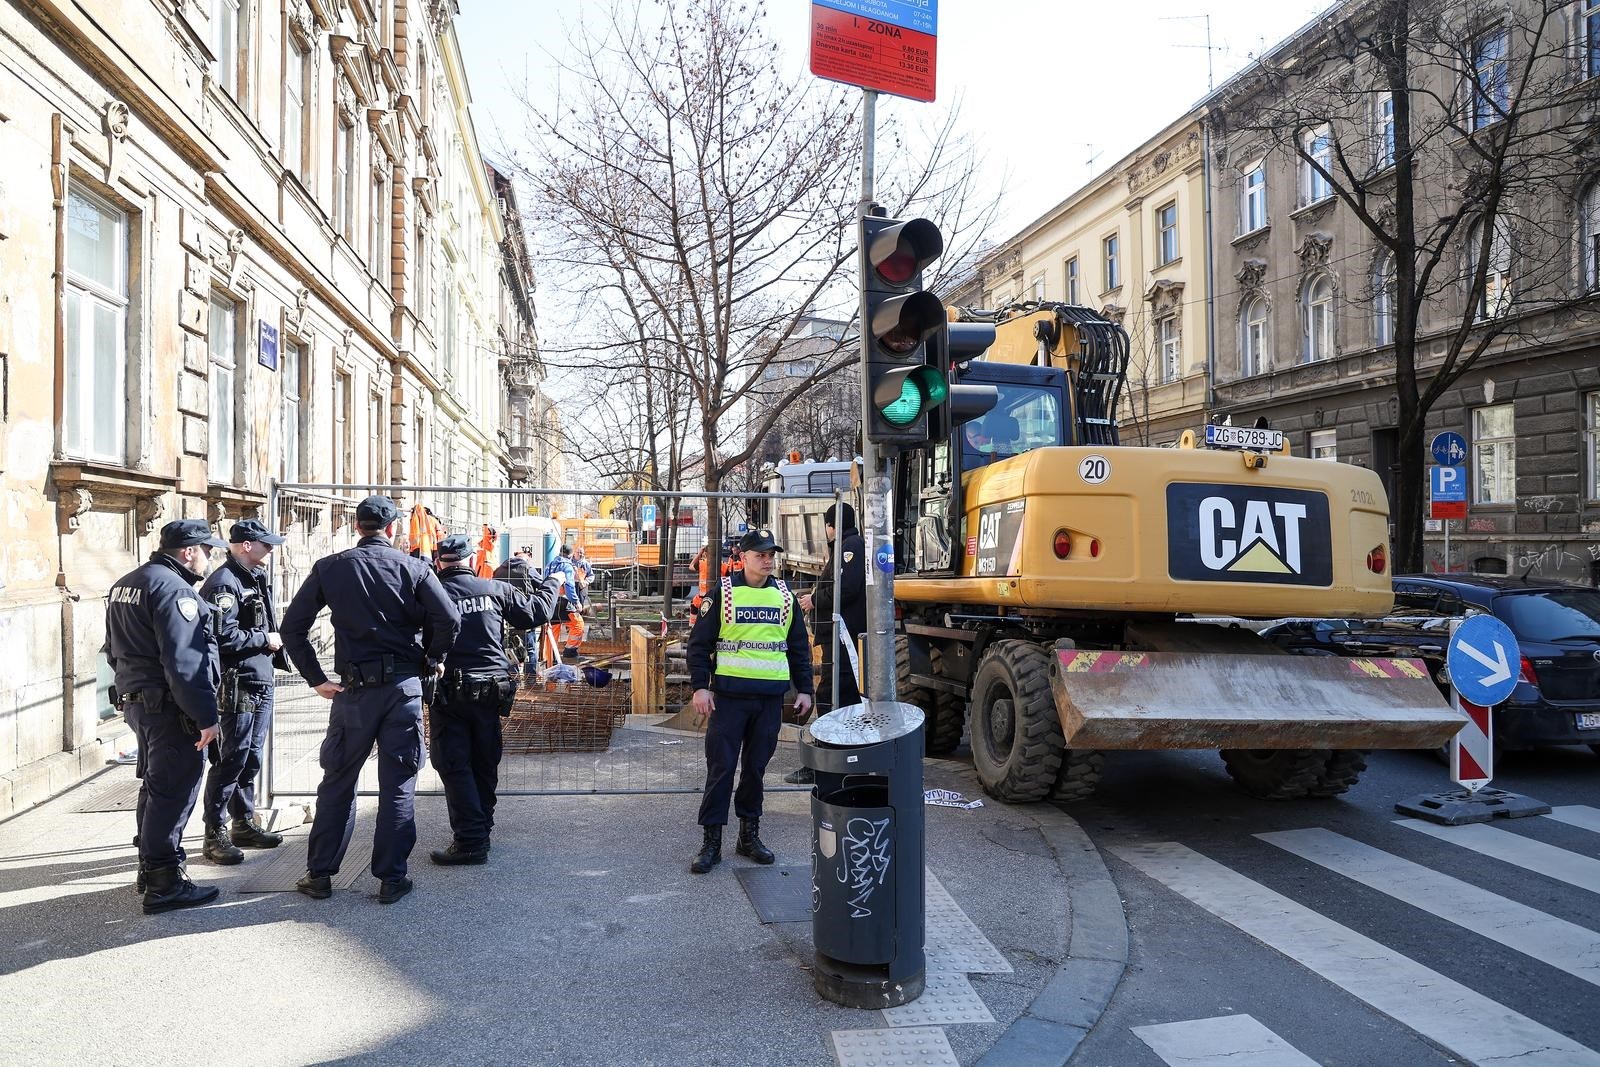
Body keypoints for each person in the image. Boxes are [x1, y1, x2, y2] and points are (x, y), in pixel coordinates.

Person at [279, 495, 461, 905]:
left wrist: (316, 680)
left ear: (356, 527)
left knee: (338, 783)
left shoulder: (332, 567)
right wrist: (433, 658)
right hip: (402, 690)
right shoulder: (413, 567)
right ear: (392, 529)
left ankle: (320, 874)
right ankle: (392, 879)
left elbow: (292, 628)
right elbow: (449, 618)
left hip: (353, 693)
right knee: (397, 785)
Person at [105, 519, 226, 914]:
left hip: (140, 702)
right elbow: (184, 662)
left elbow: (112, 649)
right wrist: (206, 717)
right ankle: (164, 883)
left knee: (157, 788)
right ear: (188, 552)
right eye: (207, 551)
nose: (210, 558)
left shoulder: (128, 581)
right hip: (170, 707)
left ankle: (149, 868)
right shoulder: (174, 590)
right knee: (174, 792)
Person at [684, 528, 813, 874]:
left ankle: (748, 836)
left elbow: (799, 647)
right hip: (728, 700)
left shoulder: (785, 597)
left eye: (771, 554)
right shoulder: (722, 594)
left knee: (755, 770)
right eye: (760, 554)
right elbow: (698, 646)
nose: (768, 560)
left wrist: (805, 689)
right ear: (743, 557)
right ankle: (712, 842)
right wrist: (700, 687)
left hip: (769, 701)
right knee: (721, 769)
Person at [427, 535, 562, 864]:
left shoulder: (430, 594)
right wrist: (554, 581)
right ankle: (480, 827)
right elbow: (537, 612)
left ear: (438, 563)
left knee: (454, 762)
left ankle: (471, 841)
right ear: (472, 561)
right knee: (484, 760)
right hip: (491, 691)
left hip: (450, 693)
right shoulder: (494, 589)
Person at [198, 518, 289, 864]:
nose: (271, 549)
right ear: (247, 545)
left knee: (251, 757)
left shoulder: (252, 576)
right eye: (266, 544)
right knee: (230, 760)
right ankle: (214, 832)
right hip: (238, 686)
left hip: (258, 680)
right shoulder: (224, 584)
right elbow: (221, 636)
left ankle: (243, 822)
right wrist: (264, 639)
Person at [785, 502, 866, 786]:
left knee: (831, 694)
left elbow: (847, 587)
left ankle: (826, 763)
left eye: (828, 526)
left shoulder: (850, 546)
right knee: (838, 694)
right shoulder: (848, 545)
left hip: (842, 636)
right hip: (838, 636)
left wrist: (813, 599)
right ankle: (839, 760)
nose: (827, 531)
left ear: (832, 525)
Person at [494, 547, 538, 675]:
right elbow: (542, 585)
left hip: (505, 616)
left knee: (509, 647)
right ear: (527, 557)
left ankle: (513, 677)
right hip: (525, 614)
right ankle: (531, 678)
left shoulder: (499, 570)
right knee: (529, 648)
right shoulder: (528, 569)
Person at [545, 544, 586, 659]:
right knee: (578, 625)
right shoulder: (567, 566)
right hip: (563, 601)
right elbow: (569, 585)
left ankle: (550, 657)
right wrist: (576, 601)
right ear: (571, 554)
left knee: (554, 627)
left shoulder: (549, 565)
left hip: (550, 600)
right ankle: (570, 652)